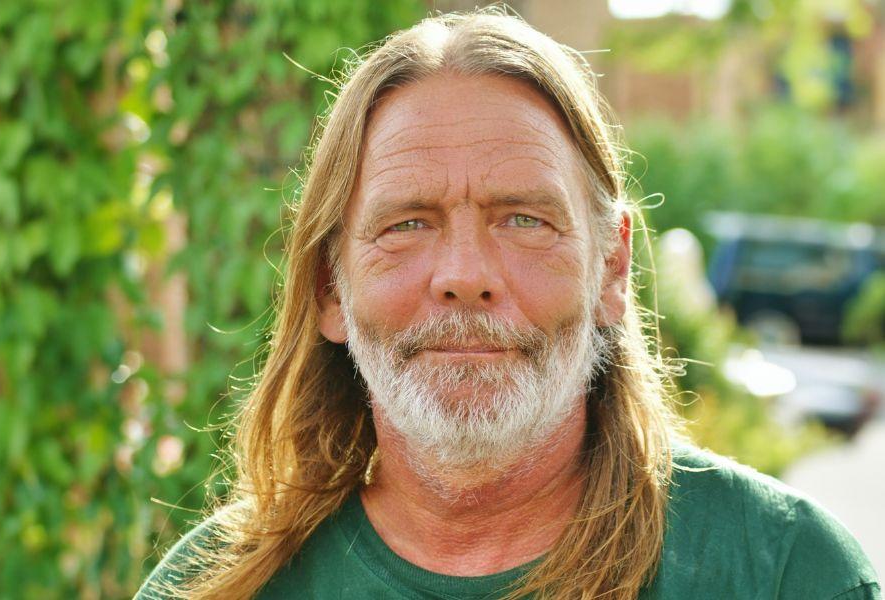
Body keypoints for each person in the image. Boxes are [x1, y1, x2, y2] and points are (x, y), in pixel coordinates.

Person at [136, 10, 881, 600]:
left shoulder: (785, 574)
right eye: (407, 225)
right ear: (331, 287)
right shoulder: (213, 587)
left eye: (524, 220)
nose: (465, 274)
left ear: (611, 268)